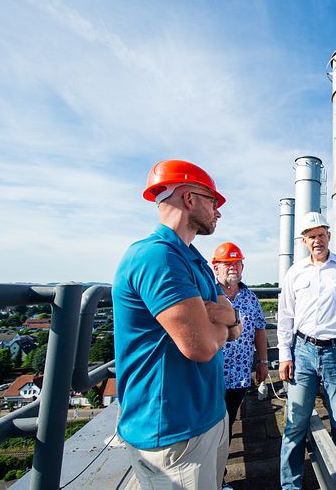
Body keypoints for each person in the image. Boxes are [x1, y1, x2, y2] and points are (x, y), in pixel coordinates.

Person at [113, 159, 243, 490]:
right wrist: (217, 322)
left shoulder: (194, 259)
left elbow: (235, 323)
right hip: (173, 429)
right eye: (213, 201)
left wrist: (220, 317)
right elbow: (200, 347)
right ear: (189, 199)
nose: (218, 211)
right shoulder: (156, 257)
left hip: (209, 414)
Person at [277, 211, 336, 489]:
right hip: (303, 352)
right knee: (295, 423)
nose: (317, 240)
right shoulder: (295, 272)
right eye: (311, 236)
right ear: (304, 242)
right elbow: (285, 317)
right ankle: (290, 485)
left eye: (321, 235)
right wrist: (285, 354)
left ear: (329, 236)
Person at [212, 241, 269, 490]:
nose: (233, 268)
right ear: (215, 268)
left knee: (226, 428)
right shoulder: (205, 293)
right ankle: (209, 479)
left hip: (237, 377)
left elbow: (260, 330)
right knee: (208, 431)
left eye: (237, 263)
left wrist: (263, 363)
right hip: (208, 376)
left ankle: (219, 478)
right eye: (227, 263)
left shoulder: (249, 297)